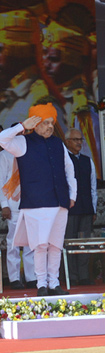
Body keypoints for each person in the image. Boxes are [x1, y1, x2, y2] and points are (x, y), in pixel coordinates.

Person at [0, 104, 76, 296]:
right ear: (35, 123)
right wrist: (21, 126)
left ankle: (54, 283)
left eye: (52, 123)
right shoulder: (23, 142)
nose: (50, 126)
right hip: (36, 204)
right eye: (45, 123)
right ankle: (41, 284)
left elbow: (69, 170)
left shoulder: (58, 143)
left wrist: (72, 195)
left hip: (59, 202)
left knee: (56, 245)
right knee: (40, 246)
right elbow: (2, 139)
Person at [0, 133, 33, 289]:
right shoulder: (4, 155)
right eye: (19, 134)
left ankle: (31, 277)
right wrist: (3, 205)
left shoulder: (30, 152)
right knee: (13, 241)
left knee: (31, 241)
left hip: (31, 202)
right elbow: (0, 181)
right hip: (12, 204)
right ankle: (14, 278)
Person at [63, 128, 96, 285]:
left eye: (80, 140)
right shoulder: (62, 159)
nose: (79, 143)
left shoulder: (87, 160)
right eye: (75, 140)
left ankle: (83, 276)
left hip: (86, 209)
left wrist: (93, 208)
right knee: (70, 242)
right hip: (69, 211)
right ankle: (72, 277)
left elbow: (92, 187)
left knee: (83, 242)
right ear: (67, 141)